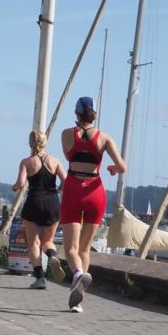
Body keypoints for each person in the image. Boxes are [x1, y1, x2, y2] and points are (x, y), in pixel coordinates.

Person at [59, 97, 127, 312]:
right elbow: (122, 166)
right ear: (94, 114)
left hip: (73, 189)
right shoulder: (105, 138)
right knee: (85, 248)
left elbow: (70, 155)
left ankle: (78, 274)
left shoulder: (66, 134)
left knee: (70, 248)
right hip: (95, 192)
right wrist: (113, 170)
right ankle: (78, 301)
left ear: (77, 114)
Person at [12, 130, 67, 290]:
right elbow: (65, 180)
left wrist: (14, 187)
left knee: (34, 244)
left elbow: (21, 183)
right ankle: (52, 256)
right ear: (45, 143)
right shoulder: (55, 161)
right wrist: (59, 190)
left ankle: (40, 278)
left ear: (31, 144)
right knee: (48, 241)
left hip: (34, 202)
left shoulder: (26, 162)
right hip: (52, 202)